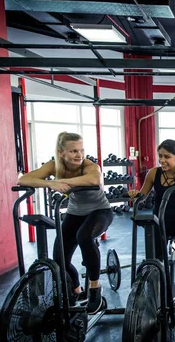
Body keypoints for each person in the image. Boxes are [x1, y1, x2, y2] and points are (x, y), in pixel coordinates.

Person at [18, 132, 113, 314]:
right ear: (61, 153)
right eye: (73, 151)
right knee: (59, 259)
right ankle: (76, 290)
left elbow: (93, 179)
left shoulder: (89, 165)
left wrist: (61, 181)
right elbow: (23, 179)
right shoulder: (54, 165)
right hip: (75, 213)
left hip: (100, 211)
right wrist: (50, 184)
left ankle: (95, 291)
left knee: (84, 237)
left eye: (81, 150)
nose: (79, 155)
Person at [128, 139, 175, 295]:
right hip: (159, 219)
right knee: (155, 256)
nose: (162, 160)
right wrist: (136, 196)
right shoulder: (154, 173)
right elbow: (142, 195)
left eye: (167, 157)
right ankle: (159, 280)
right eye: (160, 156)